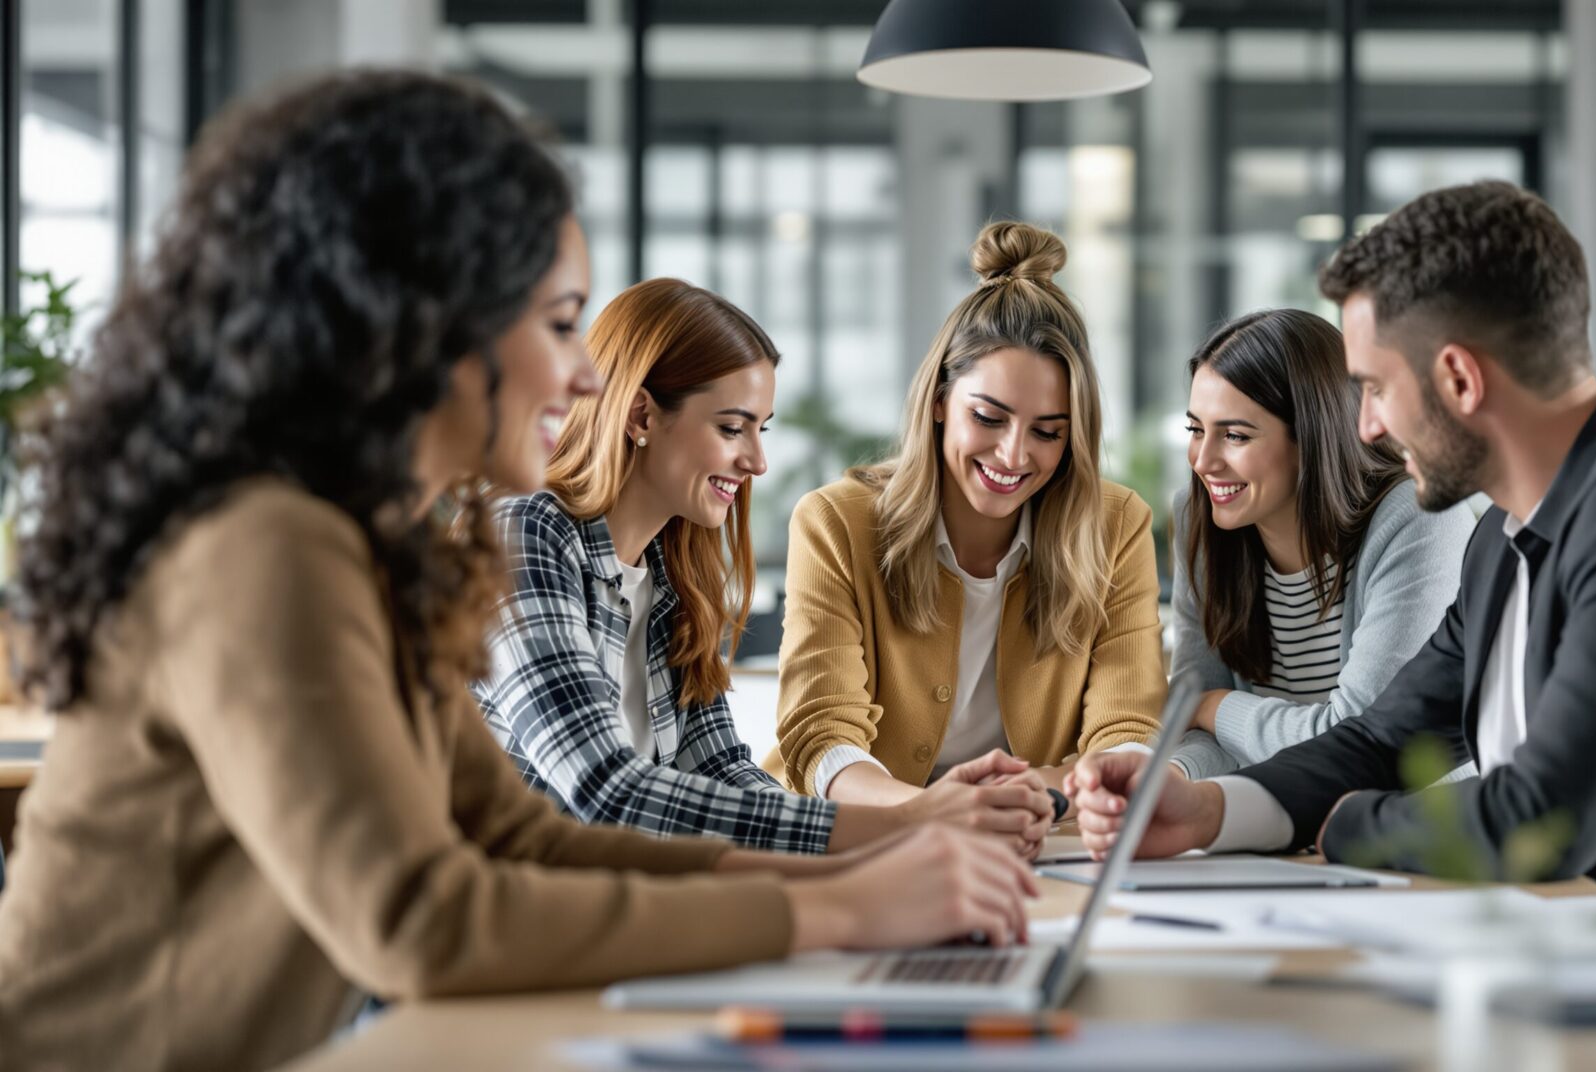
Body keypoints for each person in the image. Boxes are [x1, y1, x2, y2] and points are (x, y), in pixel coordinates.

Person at [0, 71, 1034, 1072]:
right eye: (554, 323)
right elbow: (419, 918)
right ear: (427, 326)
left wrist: (871, 861)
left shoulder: (364, 546)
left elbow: (520, 835)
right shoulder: (262, 544)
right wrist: (843, 904)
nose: (585, 373)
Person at [1068, 180, 1596, 985]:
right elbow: (1380, 740)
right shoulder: (1502, 535)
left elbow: (1545, 818)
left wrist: (1352, 825)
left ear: (1461, 380)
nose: (1362, 425)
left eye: (1371, 388)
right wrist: (1204, 808)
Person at [476, 278, 1043, 855]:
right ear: (642, 415)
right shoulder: (522, 536)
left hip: (627, 909)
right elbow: (605, 790)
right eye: (731, 428)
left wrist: (915, 822)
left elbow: (721, 769)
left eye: (760, 428)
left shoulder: (672, 569)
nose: (758, 461)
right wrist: (907, 826)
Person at [771, 221, 1166, 849]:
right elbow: (822, 736)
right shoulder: (835, 523)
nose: (1013, 454)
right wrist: (934, 814)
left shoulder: (1116, 527)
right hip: (859, 841)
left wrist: (1029, 801)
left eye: (1048, 431)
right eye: (989, 417)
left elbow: (1126, 730)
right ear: (938, 401)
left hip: (1038, 842)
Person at [1168, 308, 1474, 780]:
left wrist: (1218, 707)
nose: (1203, 460)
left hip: (1413, 833)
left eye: (1234, 435)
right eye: (1195, 429)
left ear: (1312, 436)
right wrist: (1175, 778)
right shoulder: (1201, 522)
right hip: (1273, 822)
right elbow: (1192, 722)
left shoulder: (1420, 520)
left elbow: (1362, 740)